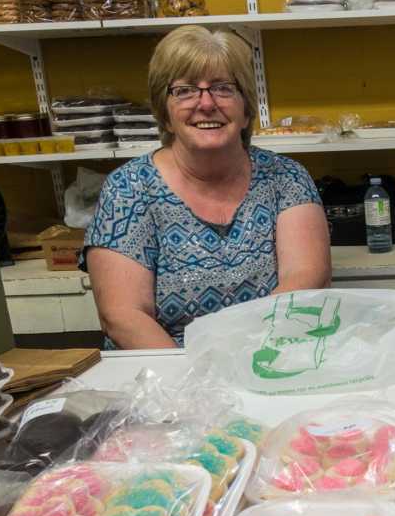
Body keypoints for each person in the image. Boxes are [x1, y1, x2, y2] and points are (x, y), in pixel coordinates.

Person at [83, 26, 331, 349]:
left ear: (246, 110)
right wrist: (191, 387)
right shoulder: (128, 190)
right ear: (166, 114)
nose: (206, 103)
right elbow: (123, 316)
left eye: (223, 88)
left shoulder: (286, 179)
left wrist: (247, 363)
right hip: (165, 377)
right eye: (185, 90)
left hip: (270, 357)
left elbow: (306, 282)